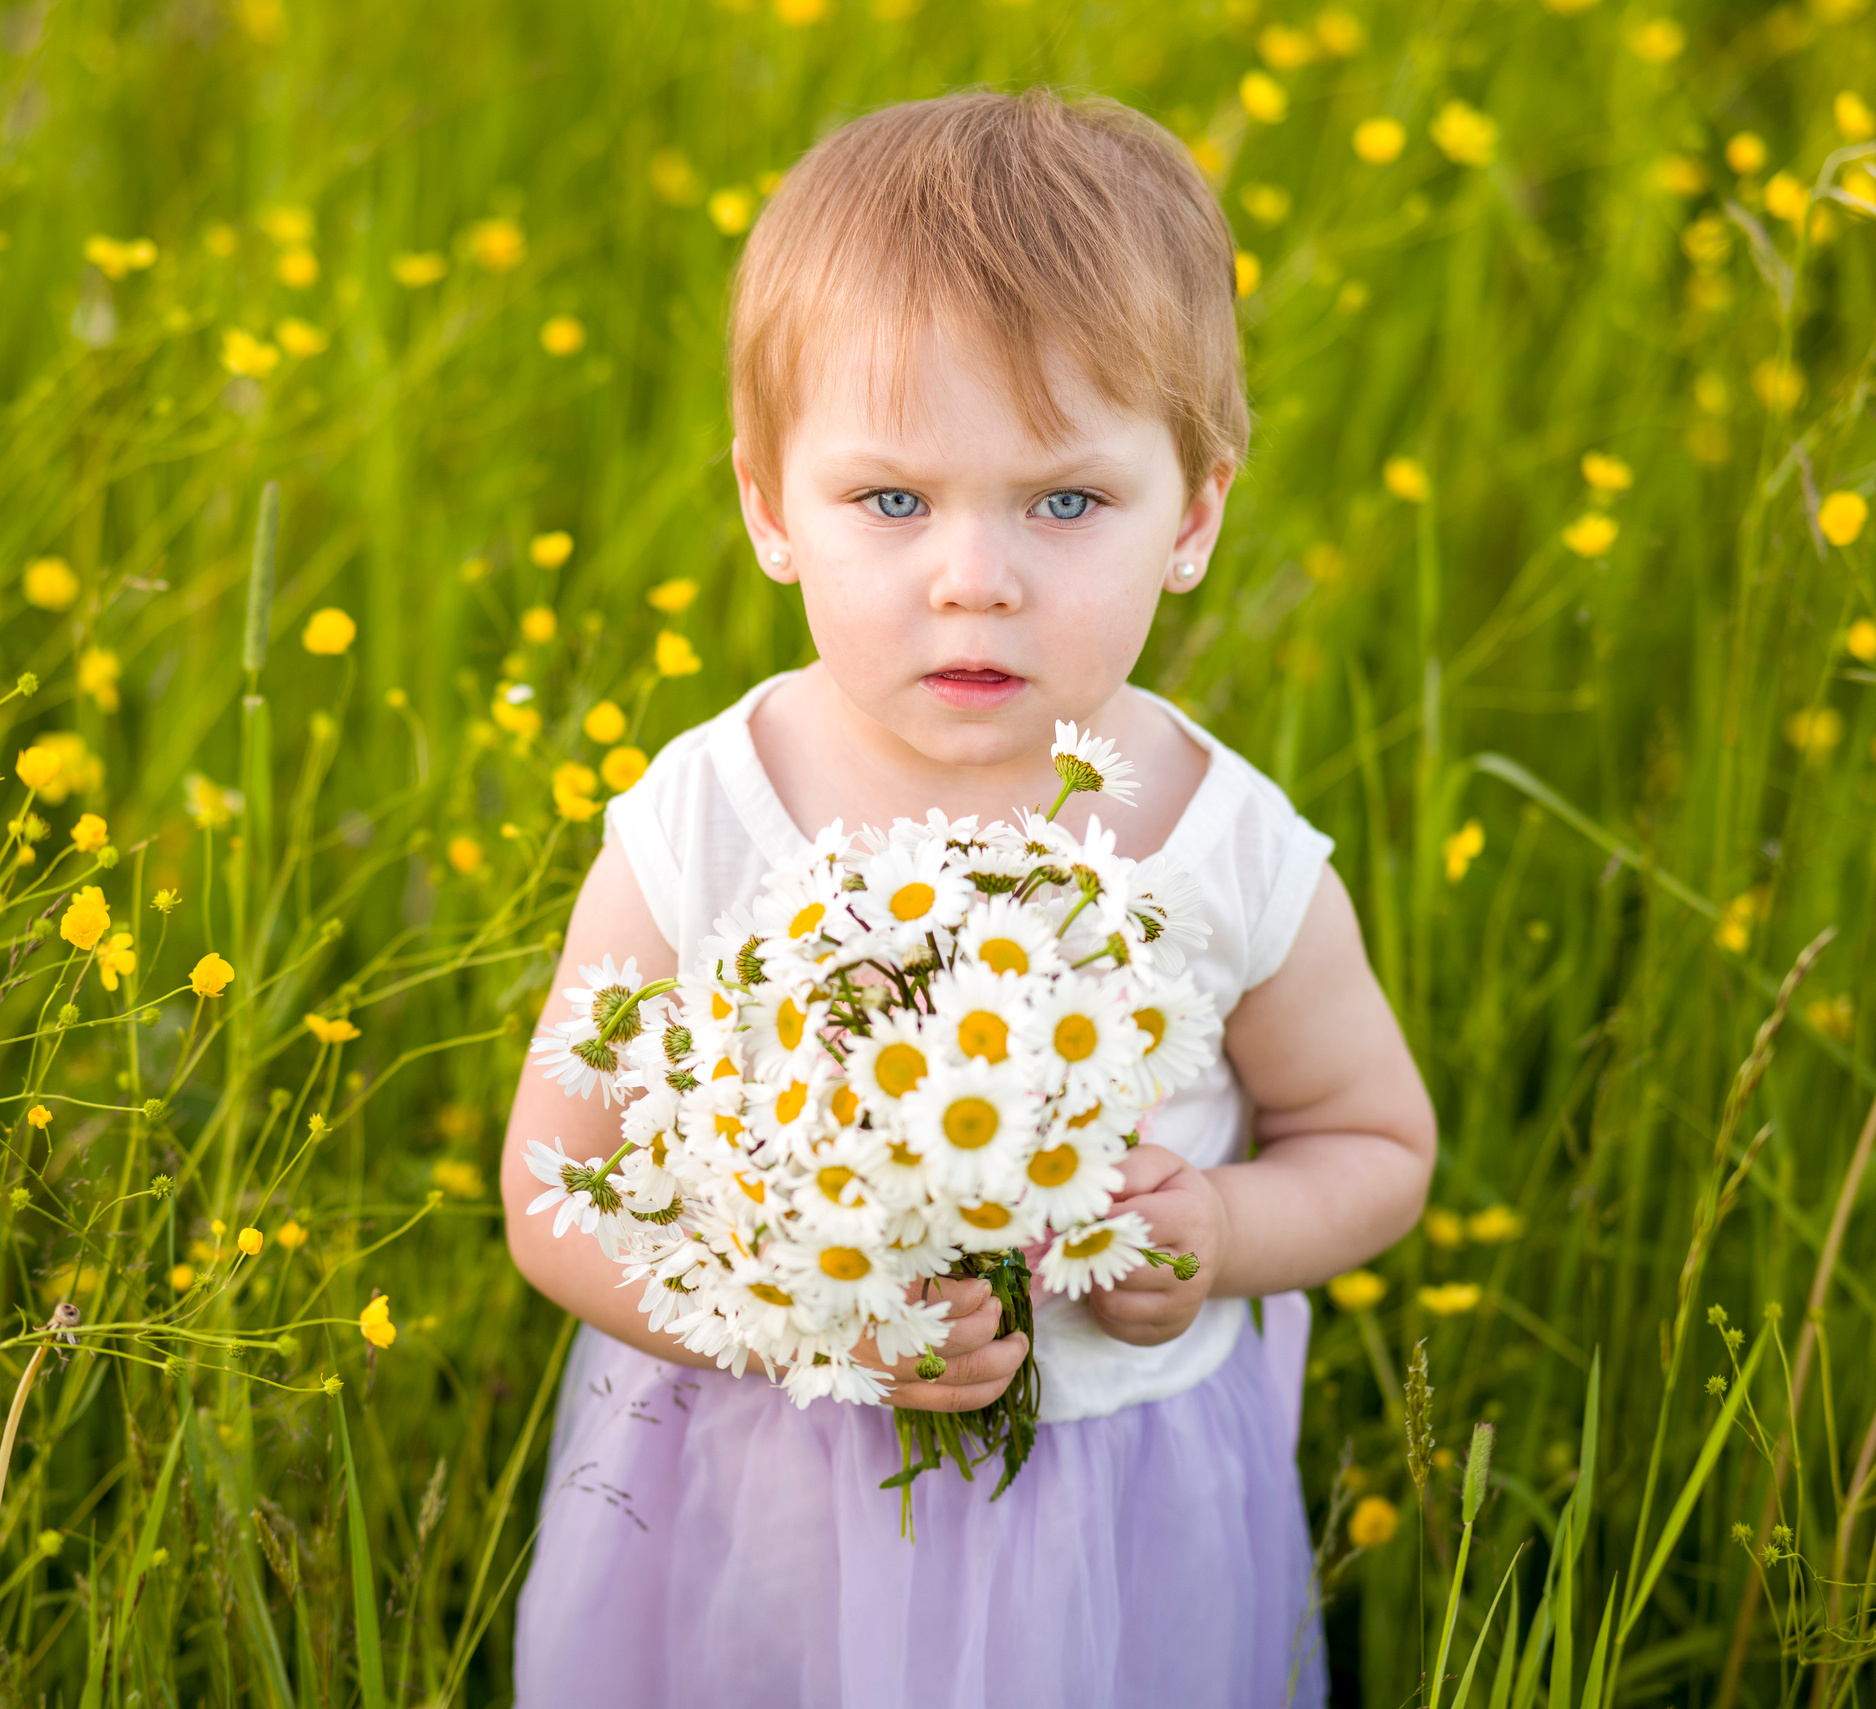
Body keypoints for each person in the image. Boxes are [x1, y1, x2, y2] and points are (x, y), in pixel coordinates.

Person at [500, 88, 1435, 1708]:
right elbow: (555, 1188)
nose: (974, 577)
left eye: (1065, 500)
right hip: (764, 1503)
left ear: (1193, 514)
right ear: (769, 508)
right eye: (892, 500)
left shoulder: (1219, 845)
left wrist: (1223, 1233)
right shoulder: (711, 820)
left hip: (1115, 1531)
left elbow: (1375, 1143)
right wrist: (803, 1324)